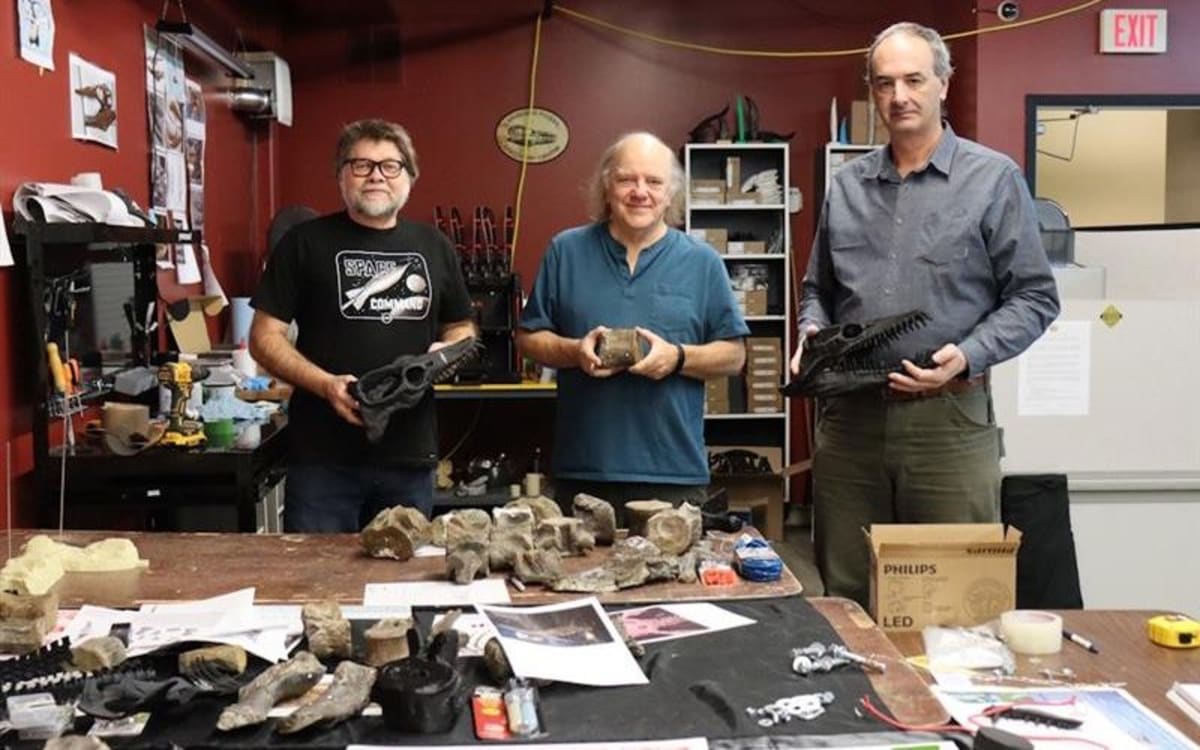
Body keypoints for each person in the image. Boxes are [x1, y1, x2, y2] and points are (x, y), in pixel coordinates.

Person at [790, 22, 1060, 608]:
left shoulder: (993, 180)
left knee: (957, 597)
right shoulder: (847, 186)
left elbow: (1036, 298)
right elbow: (817, 291)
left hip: (948, 423)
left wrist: (967, 355)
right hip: (849, 421)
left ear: (943, 84)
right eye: (884, 83)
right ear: (872, 91)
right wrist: (811, 331)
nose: (899, 97)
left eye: (914, 80)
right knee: (849, 593)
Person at [250, 119, 475, 532]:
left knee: (401, 585)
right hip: (323, 461)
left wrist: (444, 356)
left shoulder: (434, 247)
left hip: (408, 458)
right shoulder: (304, 243)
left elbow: (461, 327)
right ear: (341, 176)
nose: (376, 175)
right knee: (316, 584)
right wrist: (324, 385)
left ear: (410, 178)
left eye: (390, 165)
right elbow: (263, 338)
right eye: (361, 165)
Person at [517, 132, 749, 519]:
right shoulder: (566, 251)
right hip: (583, 473)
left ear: (671, 192)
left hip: (674, 476)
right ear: (607, 186)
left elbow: (734, 356)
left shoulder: (702, 262)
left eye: (654, 181)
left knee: (674, 581)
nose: (640, 192)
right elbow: (529, 339)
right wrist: (575, 352)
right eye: (627, 179)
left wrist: (675, 358)